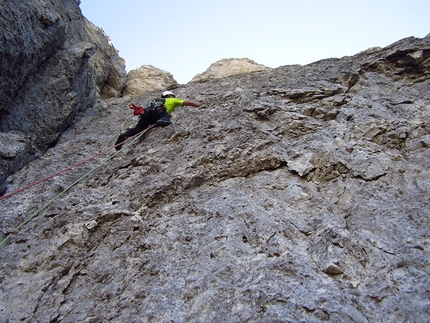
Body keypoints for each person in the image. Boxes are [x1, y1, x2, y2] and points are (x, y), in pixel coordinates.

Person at [115, 90, 201, 150]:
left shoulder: (157, 102)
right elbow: (189, 103)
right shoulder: (172, 99)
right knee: (165, 116)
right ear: (170, 95)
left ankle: (125, 135)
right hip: (159, 114)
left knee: (137, 130)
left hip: (147, 115)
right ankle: (162, 120)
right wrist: (200, 105)